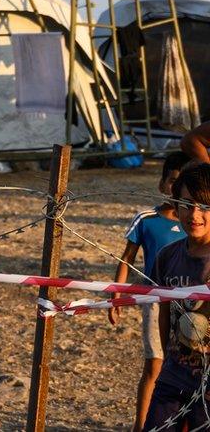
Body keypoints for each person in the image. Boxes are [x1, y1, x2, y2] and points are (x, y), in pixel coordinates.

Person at [108, 151, 190, 432]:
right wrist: (116, 295)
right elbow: (126, 258)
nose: (175, 189)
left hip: (191, 304)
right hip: (155, 300)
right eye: (172, 181)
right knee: (155, 367)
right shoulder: (146, 219)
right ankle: (140, 426)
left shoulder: (198, 223)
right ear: (162, 183)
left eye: (183, 183)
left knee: (188, 368)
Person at [143, 163, 210, 431]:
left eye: (205, 206)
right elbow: (164, 314)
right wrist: (170, 362)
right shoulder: (167, 257)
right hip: (173, 377)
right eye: (187, 204)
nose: (195, 214)